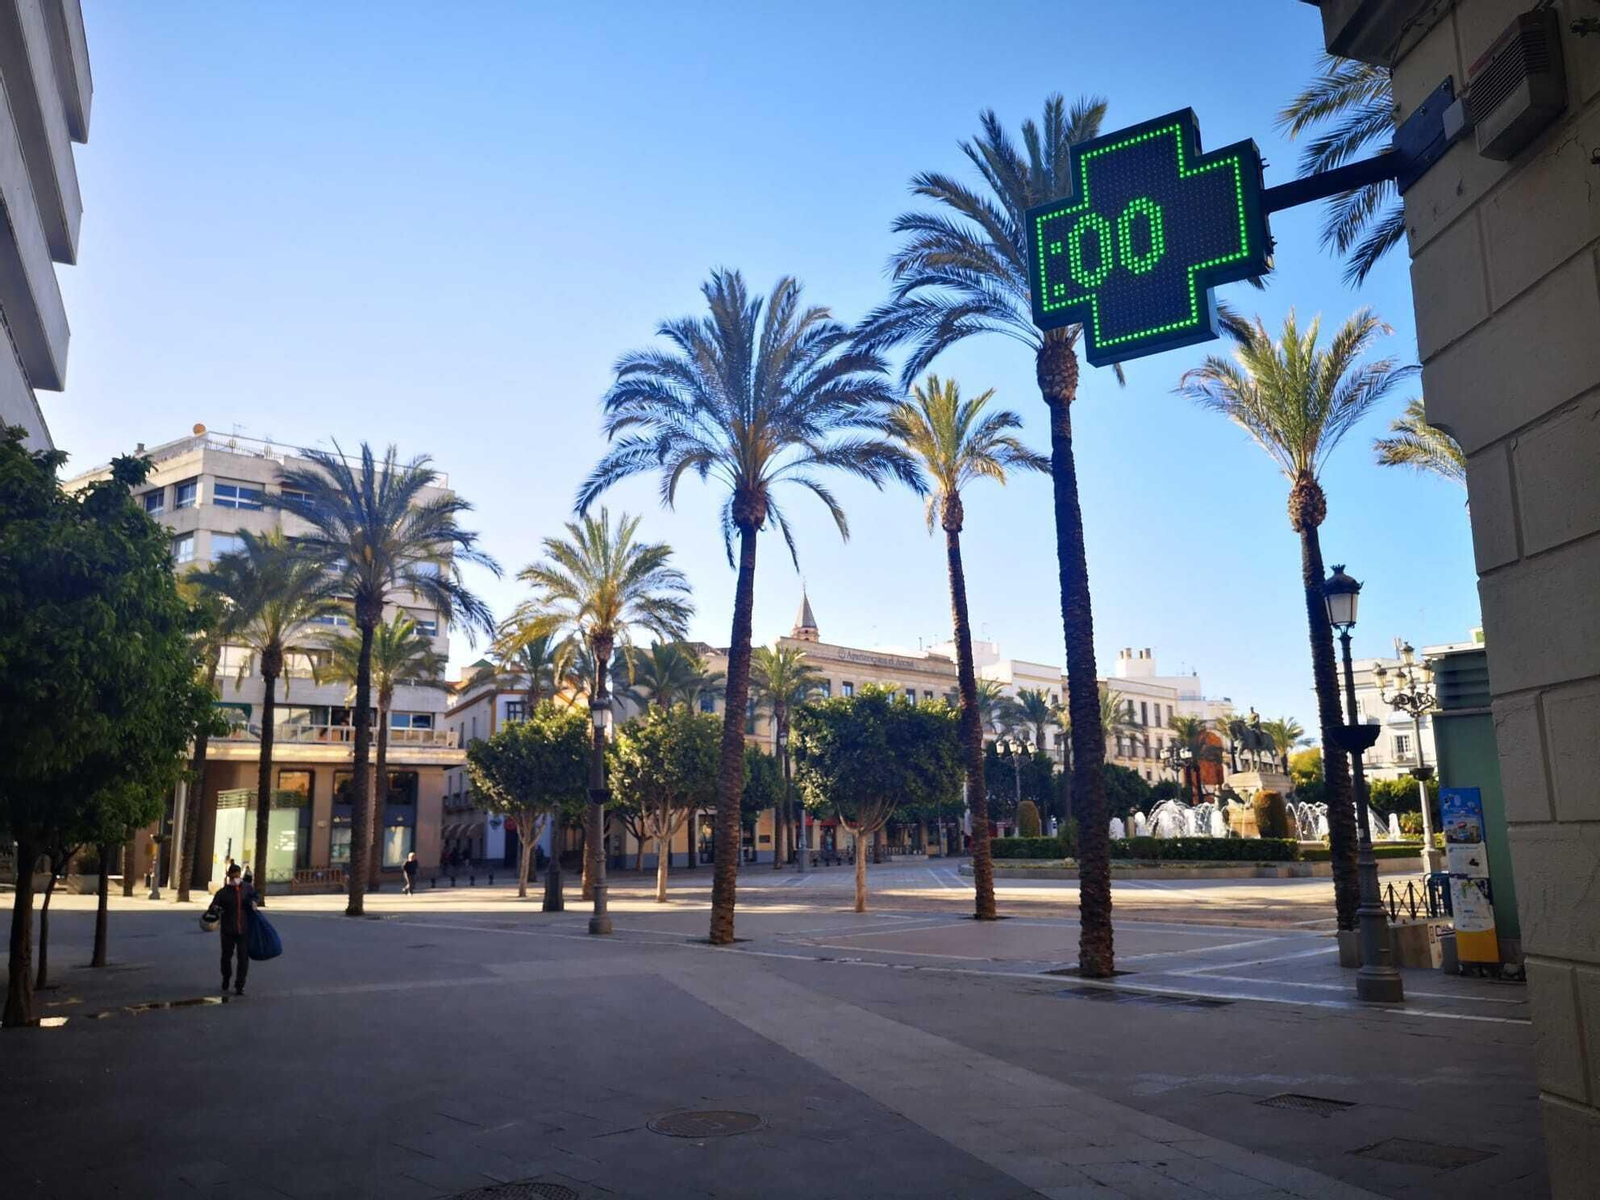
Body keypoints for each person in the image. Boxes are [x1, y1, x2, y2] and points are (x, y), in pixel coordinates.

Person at [203, 863, 260, 997]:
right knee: (226, 957)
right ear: (229, 877)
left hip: (243, 929)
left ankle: (240, 985)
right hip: (228, 930)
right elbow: (212, 907)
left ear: (240, 875)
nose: (236, 879)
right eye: (233, 876)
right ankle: (226, 977)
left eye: (237, 875)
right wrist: (216, 910)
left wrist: (255, 902)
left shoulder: (247, 889)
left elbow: (256, 896)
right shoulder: (223, 893)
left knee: (243, 958)